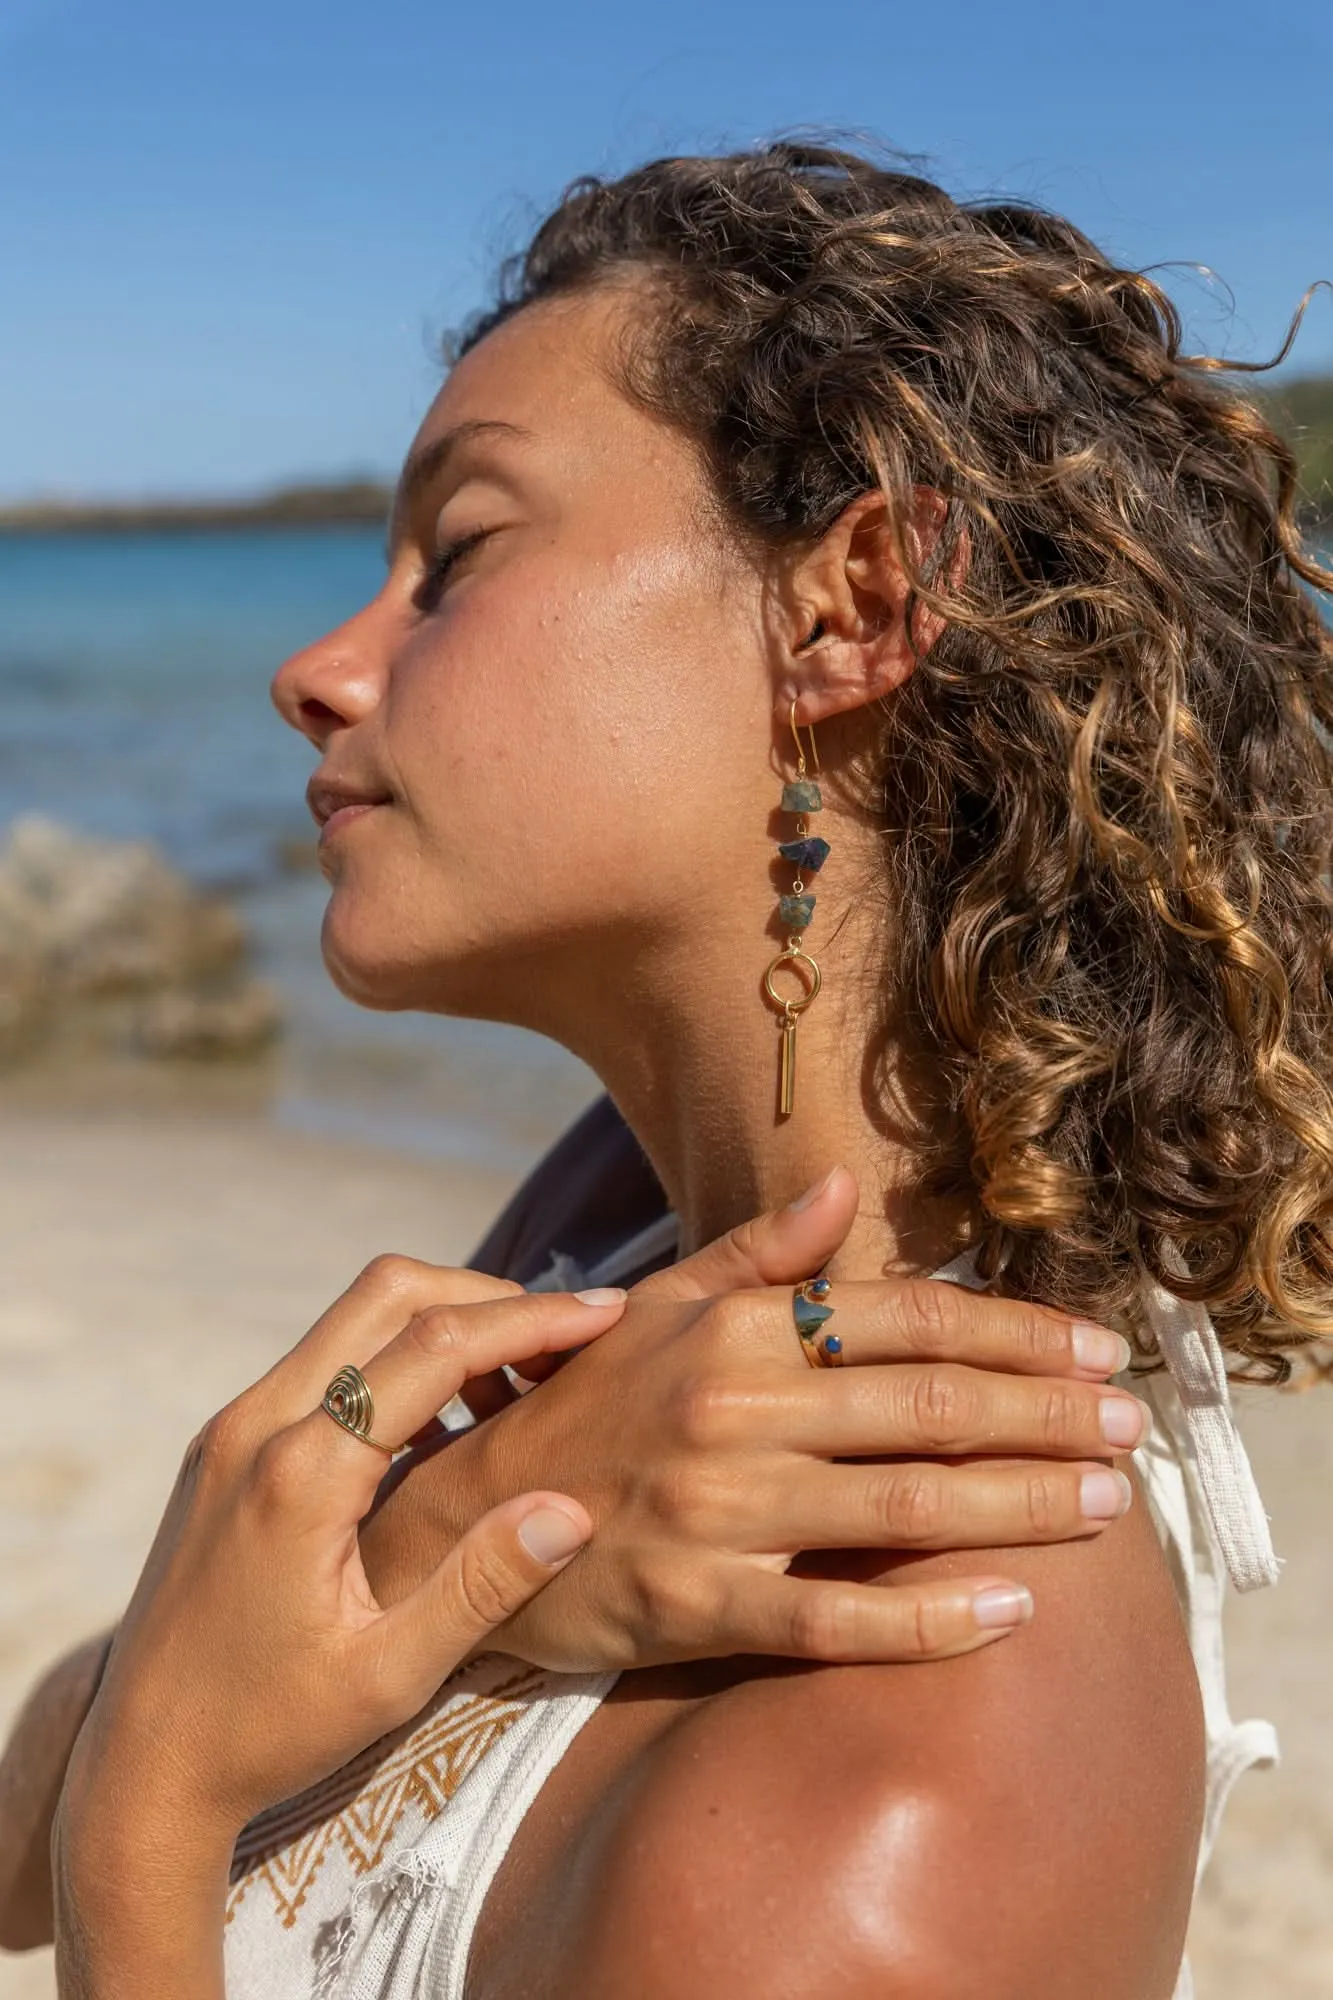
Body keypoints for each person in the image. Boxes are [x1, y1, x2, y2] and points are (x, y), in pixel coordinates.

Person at [26, 138, 1333, 1996]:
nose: (314, 671)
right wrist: (441, 1548)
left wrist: (150, 1814)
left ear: (850, 603)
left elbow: (111, 1782)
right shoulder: (630, 1227)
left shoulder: (887, 1826)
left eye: (456, 557)